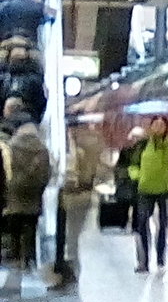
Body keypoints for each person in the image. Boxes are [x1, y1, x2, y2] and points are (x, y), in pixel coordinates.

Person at [129, 115, 168, 272]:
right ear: (151, 126)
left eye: (162, 125)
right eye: (156, 125)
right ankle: (143, 262)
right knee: (141, 225)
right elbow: (133, 165)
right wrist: (138, 178)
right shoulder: (142, 144)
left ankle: (160, 258)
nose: (159, 128)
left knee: (162, 225)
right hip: (144, 190)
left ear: (166, 127)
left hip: (164, 192)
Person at [54, 123, 101, 286]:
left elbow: (86, 177)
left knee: (71, 238)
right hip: (69, 199)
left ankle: (70, 274)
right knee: (69, 239)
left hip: (76, 199)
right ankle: (68, 272)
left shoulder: (80, 151)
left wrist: (69, 182)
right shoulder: (74, 149)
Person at [5, 121, 49, 270]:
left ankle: (15, 254)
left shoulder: (11, 146)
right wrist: (41, 186)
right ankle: (28, 257)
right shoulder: (42, 149)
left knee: (15, 221)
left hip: (14, 189)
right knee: (31, 223)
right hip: (33, 191)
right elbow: (46, 173)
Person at [113, 126, 144, 230]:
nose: (136, 140)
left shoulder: (143, 152)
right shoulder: (126, 151)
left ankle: (131, 225)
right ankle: (127, 224)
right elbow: (119, 167)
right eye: (135, 137)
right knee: (126, 205)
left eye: (138, 138)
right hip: (128, 182)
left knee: (135, 206)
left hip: (136, 182)